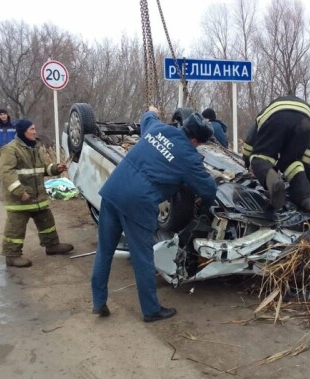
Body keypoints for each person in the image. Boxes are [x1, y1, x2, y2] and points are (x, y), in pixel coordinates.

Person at [91, 106, 217, 322]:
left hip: (113, 191)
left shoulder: (157, 129)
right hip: (138, 203)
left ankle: (99, 302)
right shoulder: (189, 156)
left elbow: (146, 117)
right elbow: (208, 190)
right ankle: (151, 310)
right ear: (196, 140)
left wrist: (153, 111)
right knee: (143, 258)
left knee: (104, 251)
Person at [0, 118, 74, 267]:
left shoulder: (34, 148)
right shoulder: (10, 150)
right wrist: (20, 191)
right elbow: (6, 173)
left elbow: (41, 168)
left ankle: (52, 246)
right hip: (20, 200)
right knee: (15, 229)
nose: (35, 131)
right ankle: (12, 256)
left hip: (38, 198)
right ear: (23, 132)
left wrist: (54, 168)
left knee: (47, 222)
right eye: (32, 129)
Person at [241, 95, 310, 212]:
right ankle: (308, 198)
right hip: (305, 121)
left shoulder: (268, 110)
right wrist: (303, 162)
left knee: (260, 159)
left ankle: (274, 184)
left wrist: (248, 159)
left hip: (276, 118)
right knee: (292, 163)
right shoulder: (307, 109)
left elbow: (250, 138)